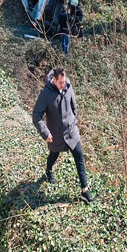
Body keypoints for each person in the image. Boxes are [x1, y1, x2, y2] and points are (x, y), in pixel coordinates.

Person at [31, 66, 94, 203]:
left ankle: (85, 190)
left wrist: (74, 121)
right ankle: (48, 171)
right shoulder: (45, 94)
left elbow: (73, 104)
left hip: (71, 131)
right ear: (54, 80)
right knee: (54, 155)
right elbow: (36, 115)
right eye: (60, 82)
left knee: (79, 157)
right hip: (56, 135)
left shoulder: (68, 85)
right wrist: (45, 133)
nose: (63, 84)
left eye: (64, 81)